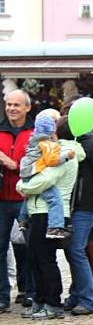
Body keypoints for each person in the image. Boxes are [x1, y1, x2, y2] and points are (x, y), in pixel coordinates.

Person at [16, 120, 82, 319]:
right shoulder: (53, 154)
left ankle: (53, 303)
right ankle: (40, 299)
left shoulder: (64, 157)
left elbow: (42, 181)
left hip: (49, 213)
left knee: (45, 259)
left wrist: (21, 186)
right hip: (38, 211)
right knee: (35, 258)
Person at [63, 117, 93, 316]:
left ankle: (87, 299)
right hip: (74, 205)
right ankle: (77, 294)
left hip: (85, 205)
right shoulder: (75, 144)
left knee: (76, 250)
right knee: (72, 251)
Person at [0, 89, 34, 313]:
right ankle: (2, 296)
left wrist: (12, 163)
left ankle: (30, 292)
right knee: (0, 249)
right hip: (1, 198)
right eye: (9, 104)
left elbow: (39, 163)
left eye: (17, 105)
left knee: (30, 248)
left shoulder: (34, 133)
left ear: (27, 108)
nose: (12, 108)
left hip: (27, 198)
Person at [16, 111, 73, 239]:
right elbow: (51, 160)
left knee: (29, 195)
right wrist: (66, 156)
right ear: (51, 130)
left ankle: (22, 220)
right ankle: (54, 227)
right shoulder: (46, 143)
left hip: (26, 173)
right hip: (35, 172)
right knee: (55, 198)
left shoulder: (33, 140)